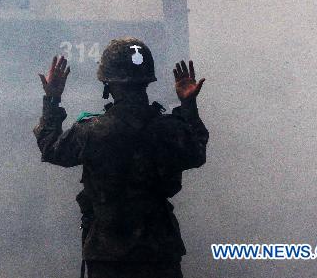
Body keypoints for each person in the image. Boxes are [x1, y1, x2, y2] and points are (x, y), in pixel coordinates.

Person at [33, 38, 209, 278]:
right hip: (159, 253)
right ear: (147, 81)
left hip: (108, 255)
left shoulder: (90, 131)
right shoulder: (169, 129)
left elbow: (51, 148)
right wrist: (188, 105)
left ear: (108, 83)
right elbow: (197, 152)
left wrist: (52, 99)